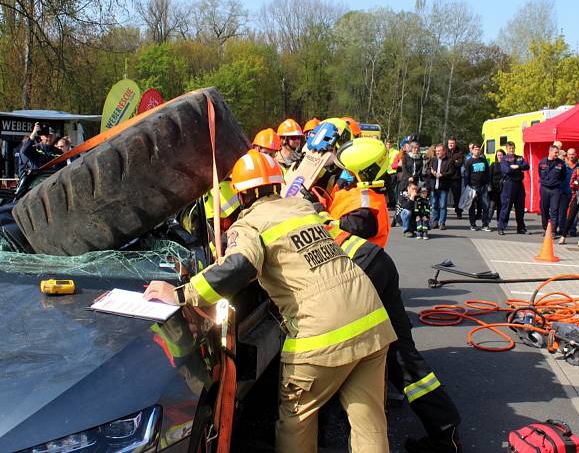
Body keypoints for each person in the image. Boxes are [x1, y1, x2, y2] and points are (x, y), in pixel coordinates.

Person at [143, 149, 396, 453]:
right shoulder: (301, 207)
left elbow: (240, 266)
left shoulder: (249, 224)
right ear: (277, 184)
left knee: (297, 421)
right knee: (369, 423)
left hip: (321, 334)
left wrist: (181, 293)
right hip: (371, 320)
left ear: (241, 195)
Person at [325, 222, 462, 451]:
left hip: (357, 269)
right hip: (374, 258)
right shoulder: (302, 205)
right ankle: (446, 432)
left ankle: (331, 420)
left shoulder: (266, 219)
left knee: (338, 346)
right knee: (403, 357)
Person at [330, 138, 391, 248]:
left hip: (358, 262)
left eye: (349, 171)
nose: (347, 174)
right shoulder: (364, 192)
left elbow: (336, 228)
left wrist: (318, 213)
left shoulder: (365, 209)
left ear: (365, 173)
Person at [497, 141, 529, 235]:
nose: (512, 150)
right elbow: (506, 170)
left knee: (520, 208)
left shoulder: (519, 158)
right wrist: (517, 169)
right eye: (510, 148)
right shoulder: (504, 159)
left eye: (513, 148)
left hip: (519, 184)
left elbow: (527, 166)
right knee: (506, 207)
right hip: (509, 185)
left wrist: (517, 166)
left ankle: (521, 228)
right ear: (506, 149)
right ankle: (501, 227)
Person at [538, 144, 565, 234]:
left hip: (555, 190)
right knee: (544, 209)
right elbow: (539, 173)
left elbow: (563, 176)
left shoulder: (561, 163)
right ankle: (546, 229)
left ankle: (553, 230)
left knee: (554, 210)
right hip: (544, 188)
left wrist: (556, 183)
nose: (557, 154)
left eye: (557, 153)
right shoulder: (542, 162)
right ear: (550, 152)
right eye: (555, 152)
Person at [427, 143, 454, 230]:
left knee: (442, 205)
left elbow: (451, 172)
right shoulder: (433, 159)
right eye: (436, 151)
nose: (437, 152)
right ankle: (434, 222)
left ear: (444, 151)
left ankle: (442, 222)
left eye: (439, 151)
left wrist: (442, 175)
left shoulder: (449, 161)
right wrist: (432, 173)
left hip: (443, 187)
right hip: (433, 187)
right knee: (434, 205)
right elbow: (427, 170)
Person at [464, 143, 491, 231]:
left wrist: (487, 183)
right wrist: (468, 187)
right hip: (472, 187)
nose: (477, 151)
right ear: (472, 150)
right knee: (472, 207)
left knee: (486, 205)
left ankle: (485, 224)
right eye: (475, 149)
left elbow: (488, 173)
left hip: (483, 187)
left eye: (479, 149)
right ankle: (472, 224)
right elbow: (466, 175)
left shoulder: (483, 160)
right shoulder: (469, 162)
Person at [446, 137, 464, 220]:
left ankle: (459, 212)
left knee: (457, 197)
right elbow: (444, 163)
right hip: (446, 177)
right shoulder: (445, 151)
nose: (450, 145)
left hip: (456, 178)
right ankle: (443, 212)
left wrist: (450, 162)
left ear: (455, 144)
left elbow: (459, 164)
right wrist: (454, 161)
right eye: (449, 143)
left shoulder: (459, 152)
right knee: (444, 196)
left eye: (452, 143)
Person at [488, 149, 505, 224]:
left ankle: (499, 222)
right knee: (492, 206)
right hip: (494, 188)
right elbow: (489, 176)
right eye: (498, 155)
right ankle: (487, 222)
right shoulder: (493, 164)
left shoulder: (506, 165)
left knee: (500, 206)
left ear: (504, 155)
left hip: (503, 188)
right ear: (496, 156)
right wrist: (490, 186)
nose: (500, 156)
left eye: (501, 155)